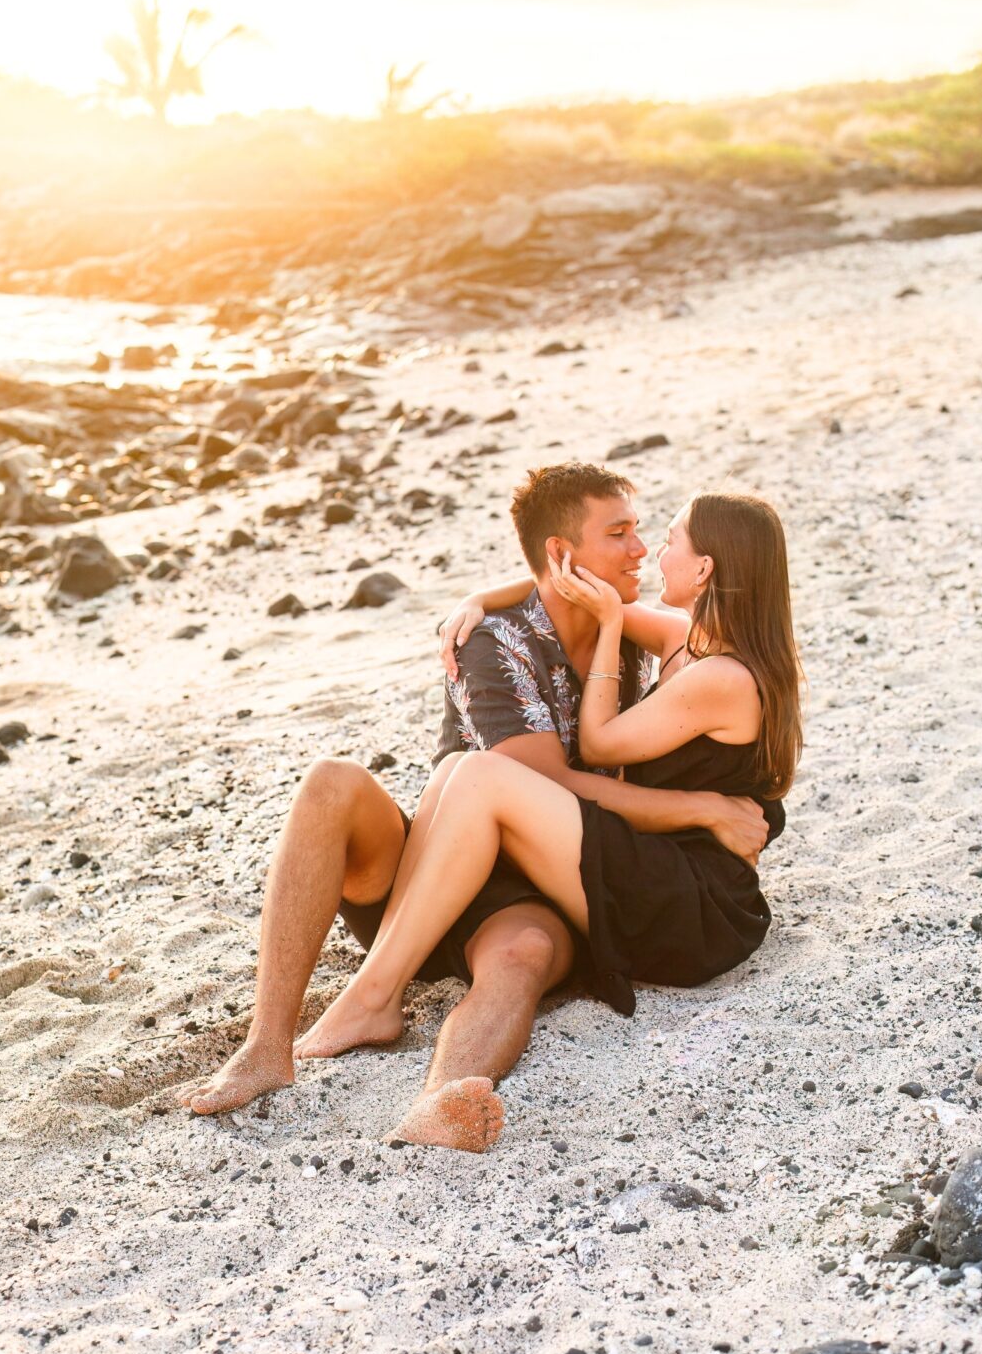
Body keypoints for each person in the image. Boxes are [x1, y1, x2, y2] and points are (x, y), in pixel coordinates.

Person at [175, 466, 771, 1150]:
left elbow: (622, 637)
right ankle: (267, 1045)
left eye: (643, 533)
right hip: (432, 872)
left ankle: (441, 1098)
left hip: (548, 887)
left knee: (523, 952)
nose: (639, 549)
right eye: (620, 533)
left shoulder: (635, 633)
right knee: (332, 781)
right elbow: (546, 778)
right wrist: (698, 807)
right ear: (562, 554)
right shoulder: (495, 641)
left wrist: (493, 587)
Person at [286, 490, 802, 1092]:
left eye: (668, 542)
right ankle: (380, 985)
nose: (651, 553)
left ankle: (374, 996)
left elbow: (603, 745)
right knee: (458, 768)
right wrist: (478, 600)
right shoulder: (688, 638)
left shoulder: (720, 676)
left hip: (692, 907)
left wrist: (610, 629)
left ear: (705, 567)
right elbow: (563, 588)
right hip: (654, 867)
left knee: (478, 774)